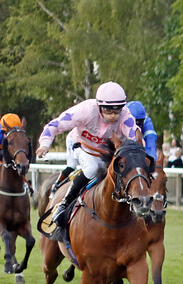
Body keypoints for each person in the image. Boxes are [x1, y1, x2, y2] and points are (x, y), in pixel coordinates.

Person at [36, 82, 138, 229]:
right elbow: (55, 124)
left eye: (117, 111)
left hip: (105, 152)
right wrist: (45, 143)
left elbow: (134, 138)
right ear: (99, 106)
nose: (114, 116)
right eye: (109, 111)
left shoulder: (126, 116)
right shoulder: (85, 110)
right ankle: (63, 204)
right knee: (92, 168)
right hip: (80, 145)